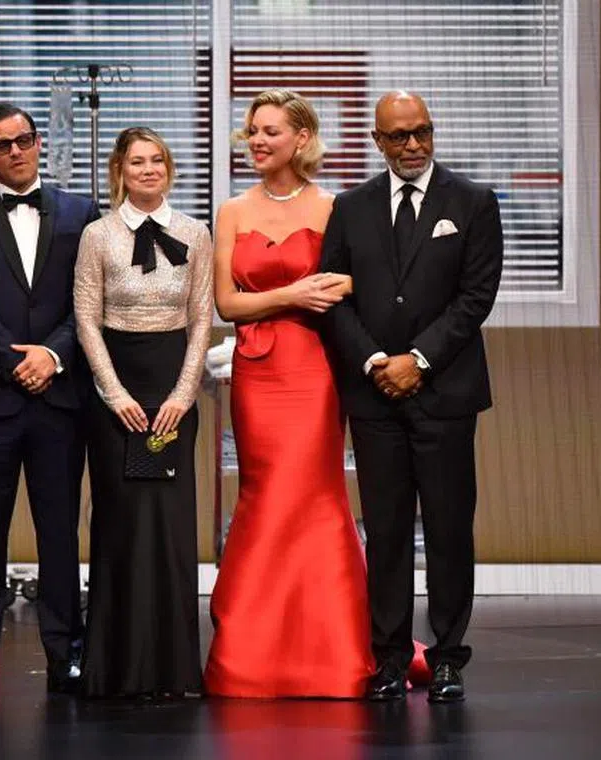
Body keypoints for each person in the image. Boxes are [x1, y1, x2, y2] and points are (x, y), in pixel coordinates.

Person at [319, 91, 503, 703]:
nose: (413, 145)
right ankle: (391, 660)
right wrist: (376, 362)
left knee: (450, 530)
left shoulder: (472, 202)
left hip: (445, 393)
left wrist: (417, 361)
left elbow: (475, 298)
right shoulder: (350, 207)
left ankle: (449, 658)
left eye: (421, 131)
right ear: (378, 141)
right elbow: (333, 298)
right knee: (388, 532)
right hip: (375, 398)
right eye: (398, 136)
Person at [204, 89, 375, 698]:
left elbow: (362, 278)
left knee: (315, 498)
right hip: (257, 370)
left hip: (316, 370)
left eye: (269, 131)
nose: (256, 141)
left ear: (301, 138)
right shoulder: (231, 211)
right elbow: (226, 303)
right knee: (263, 497)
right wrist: (291, 295)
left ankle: (331, 654)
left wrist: (331, 288)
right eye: (252, 131)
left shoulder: (336, 208)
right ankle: (251, 658)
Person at [0, 103, 100, 697]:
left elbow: (90, 298)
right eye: (1, 145)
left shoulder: (82, 213)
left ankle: (66, 655)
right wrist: (15, 362)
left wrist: (51, 356)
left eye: (23, 140)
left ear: (37, 144)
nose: (15, 151)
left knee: (60, 532)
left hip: (59, 396)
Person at [74, 127, 213, 698]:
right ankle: (115, 668)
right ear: (119, 171)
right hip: (116, 395)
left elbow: (202, 317)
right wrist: (115, 394)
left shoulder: (195, 233)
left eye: (158, 160)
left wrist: (183, 395)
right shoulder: (96, 234)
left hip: (173, 386)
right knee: (121, 525)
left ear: (170, 169)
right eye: (138, 161)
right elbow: (86, 318)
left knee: (171, 527)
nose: (149, 170)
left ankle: (174, 669)